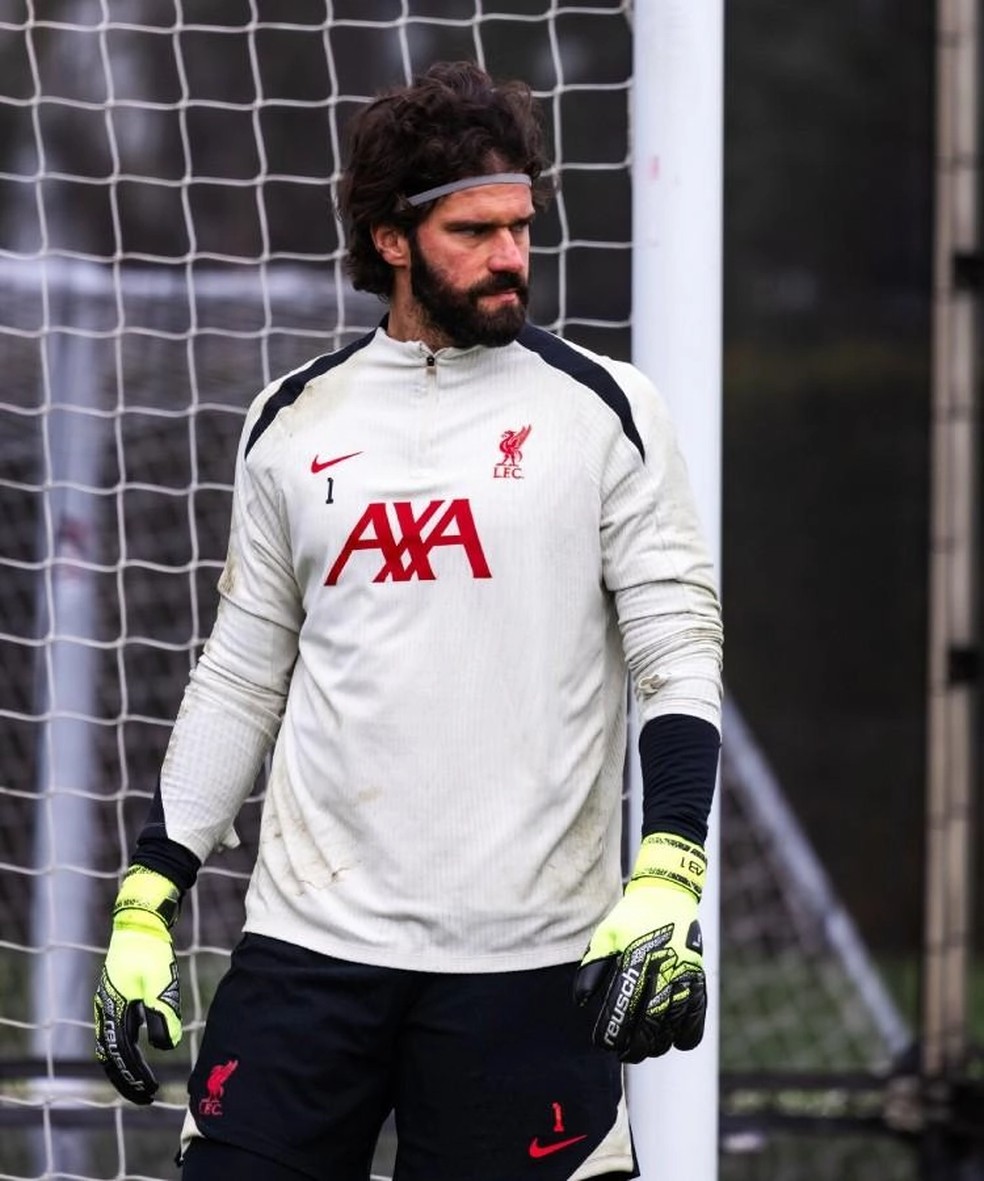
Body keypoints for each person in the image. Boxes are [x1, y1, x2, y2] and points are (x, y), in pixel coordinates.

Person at [93, 60, 723, 1181]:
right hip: (307, 953)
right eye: (475, 232)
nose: (511, 256)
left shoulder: (607, 412)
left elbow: (678, 652)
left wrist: (670, 866)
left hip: (527, 966)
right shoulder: (292, 421)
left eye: (521, 226)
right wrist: (152, 888)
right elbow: (240, 675)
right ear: (391, 238)